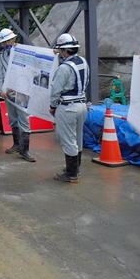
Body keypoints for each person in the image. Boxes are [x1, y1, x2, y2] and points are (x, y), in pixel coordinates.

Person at [49, 33, 89, 183]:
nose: (59, 53)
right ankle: (75, 168)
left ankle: (71, 173)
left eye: (60, 51)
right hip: (82, 105)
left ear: (65, 51)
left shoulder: (64, 68)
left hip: (68, 107)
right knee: (78, 138)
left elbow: (56, 90)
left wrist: (53, 106)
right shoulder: (83, 62)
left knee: (68, 140)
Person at [0, 28, 35, 162]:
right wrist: (2, 89)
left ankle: (25, 150)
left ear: (14, 40)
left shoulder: (22, 53)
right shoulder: (2, 56)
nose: (7, 43)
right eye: (5, 42)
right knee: (13, 119)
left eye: (9, 40)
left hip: (22, 92)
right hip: (8, 93)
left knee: (24, 120)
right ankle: (17, 144)